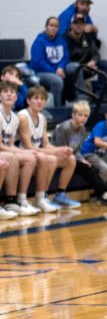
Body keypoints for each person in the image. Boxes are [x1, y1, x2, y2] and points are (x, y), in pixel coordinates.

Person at [17, 86, 80, 212]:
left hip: (37, 154)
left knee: (70, 159)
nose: (39, 101)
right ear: (28, 100)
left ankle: (60, 195)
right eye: (36, 98)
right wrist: (54, 152)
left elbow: (46, 145)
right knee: (51, 159)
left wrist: (61, 149)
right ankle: (42, 198)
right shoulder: (23, 116)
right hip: (24, 155)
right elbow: (28, 146)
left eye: (42, 99)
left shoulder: (42, 118)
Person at [53, 100, 107, 204]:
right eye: (80, 115)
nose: (83, 118)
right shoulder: (64, 128)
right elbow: (59, 149)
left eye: (86, 116)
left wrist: (82, 159)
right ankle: (106, 191)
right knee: (87, 168)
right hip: (60, 157)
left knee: (88, 166)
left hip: (73, 158)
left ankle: (105, 193)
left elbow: (77, 150)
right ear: (73, 115)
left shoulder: (82, 129)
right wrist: (78, 159)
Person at [0, 80, 40, 217]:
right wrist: (18, 152)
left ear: (16, 97)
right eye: (5, 92)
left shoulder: (15, 118)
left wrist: (27, 152)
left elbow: (10, 145)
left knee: (30, 158)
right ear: (0, 96)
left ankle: (21, 200)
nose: (9, 94)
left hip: (4, 151)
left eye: (12, 92)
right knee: (12, 157)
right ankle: (9, 200)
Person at [65, 15, 107, 101]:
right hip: (73, 70)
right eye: (76, 23)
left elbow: (96, 54)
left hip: (87, 67)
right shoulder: (65, 39)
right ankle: (82, 96)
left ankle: (100, 95)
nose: (79, 26)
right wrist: (83, 67)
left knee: (104, 64)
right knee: (76, 66)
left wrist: (93, 62)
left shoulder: (87, 38)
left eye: (81, 23)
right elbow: (66, 60)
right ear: (71, 25)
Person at [29, 17, 69, 106]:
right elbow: (39, 62)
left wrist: (61, 67)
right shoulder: (39, 42)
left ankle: (77, 99)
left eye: (56, 26)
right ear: (46, 27)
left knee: (75, 67)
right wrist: (55, 71)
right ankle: (56, 107)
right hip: (40, 72)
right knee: (57, 81)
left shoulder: (61, 41)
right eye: (51, 25)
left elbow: (65, 57)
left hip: (57, 70)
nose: (53, 28)